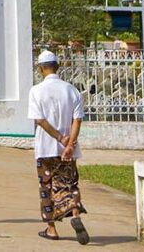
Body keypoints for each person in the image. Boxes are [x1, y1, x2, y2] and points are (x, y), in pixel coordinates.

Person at [28, 50, 89, 244]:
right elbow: (77, 120)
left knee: (46, 186)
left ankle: (51, 228)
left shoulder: (36, 91)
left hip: (46, 148)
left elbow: (40, 121)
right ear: (58, 66)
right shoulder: (71, 90)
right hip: (67, 150)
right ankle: (76, 214)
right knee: (69, 183)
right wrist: (69, 144)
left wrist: (60, 138)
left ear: (40, 69)